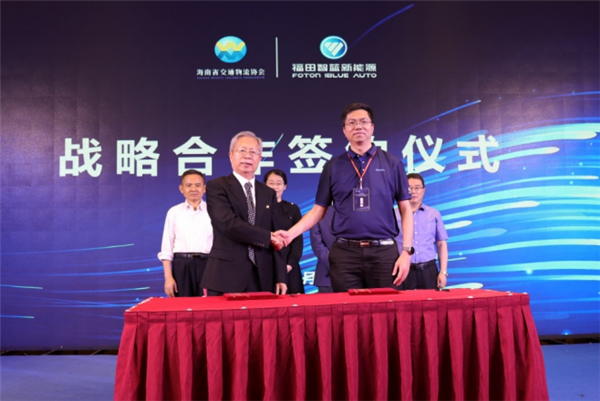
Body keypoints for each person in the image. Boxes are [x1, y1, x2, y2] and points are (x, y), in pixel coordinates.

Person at [277, 103, 414, 292]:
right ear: (344, 130)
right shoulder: (333, 166)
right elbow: (318, 211)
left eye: (363, 121)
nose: (358, 126)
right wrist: (290, 234)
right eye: (352, 123)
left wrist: (406, 251)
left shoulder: (392, 163)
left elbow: (405, 209)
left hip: (383, 253)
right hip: (345, 254)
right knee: (347, 308)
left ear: (372, 127)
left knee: (385, 308)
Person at [201, 131, 288, 295]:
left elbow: (277, 234)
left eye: (253, 152)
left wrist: (281, 276)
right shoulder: (217, 186)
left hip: (263, 275)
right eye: (242, 151)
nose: (247, 156)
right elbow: (227, 224)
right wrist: (267, 237)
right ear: (230, 155)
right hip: (225, 274)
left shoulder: (268, 193)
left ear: (260, 158)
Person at [158, 170, 213, 297]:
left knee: (208, 306)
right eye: (188, 185)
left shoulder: (214, 211)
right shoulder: (174, 212)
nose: (193, 189)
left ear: (204, 188)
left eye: (198, 185)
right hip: (182, 266)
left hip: (208, 265)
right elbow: (166, 248)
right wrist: (168, 277)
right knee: (183, 306)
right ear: (181, 189)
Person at [398, 173, 449, 289]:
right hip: (403, 269)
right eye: (409, 188)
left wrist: (443, 271)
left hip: (428, 270)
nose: (413, 191)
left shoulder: (434, 214)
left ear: (423, 190)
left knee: (430, 301)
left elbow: (441, 244)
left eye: (417, 187)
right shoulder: (393, 214)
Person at [264, 169, 305, 294]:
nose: (275, 187)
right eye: (271, 183)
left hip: (288, 265)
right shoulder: (258, 210)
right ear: (264, 185)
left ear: (285, 186)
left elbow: (297, 240)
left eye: (279, 183)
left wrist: (289, 264)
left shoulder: (292, 209)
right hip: (265, 266)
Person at [309, 206, 335, 293]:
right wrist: (335, 266)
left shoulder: (358, 211)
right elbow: (317, 245)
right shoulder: (318, 212)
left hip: (357, 276)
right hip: (327, 277)